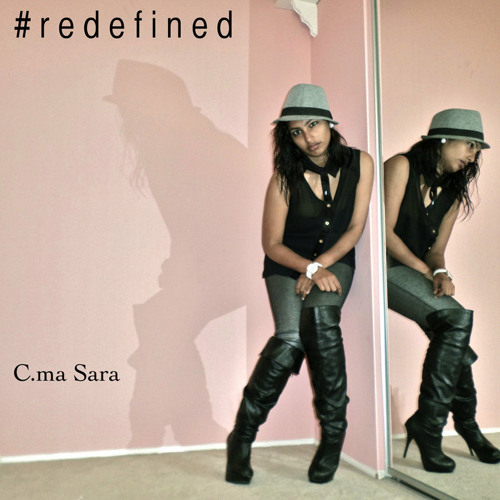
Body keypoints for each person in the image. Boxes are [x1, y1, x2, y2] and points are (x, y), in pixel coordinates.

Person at [225, 84, 374, 484]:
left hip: (335, 261)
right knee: (291, 337)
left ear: (329, 123)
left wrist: (320, 267)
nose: (309, 137)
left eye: (313, 124)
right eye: (296, 131)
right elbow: (272, 245)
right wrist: (307, 269)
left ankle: (333, 436)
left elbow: (355, 228)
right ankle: (241, 437)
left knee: (321, 320)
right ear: (288, 138)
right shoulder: (284, 179)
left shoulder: (361, 163)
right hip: (287, 264)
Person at [384, 108, 500, 473]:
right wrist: (425, 271)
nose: (473, 155)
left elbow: (436, 250)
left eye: (477, 149)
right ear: (443, 139)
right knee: (456, 321)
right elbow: (384, 234)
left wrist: (439, 272)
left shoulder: (453, 191)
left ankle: (453, 426)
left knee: (455, 331)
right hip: (381, 268)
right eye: (469, 145)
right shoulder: (400, 166)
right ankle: (447, 428)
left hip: (413, 271)